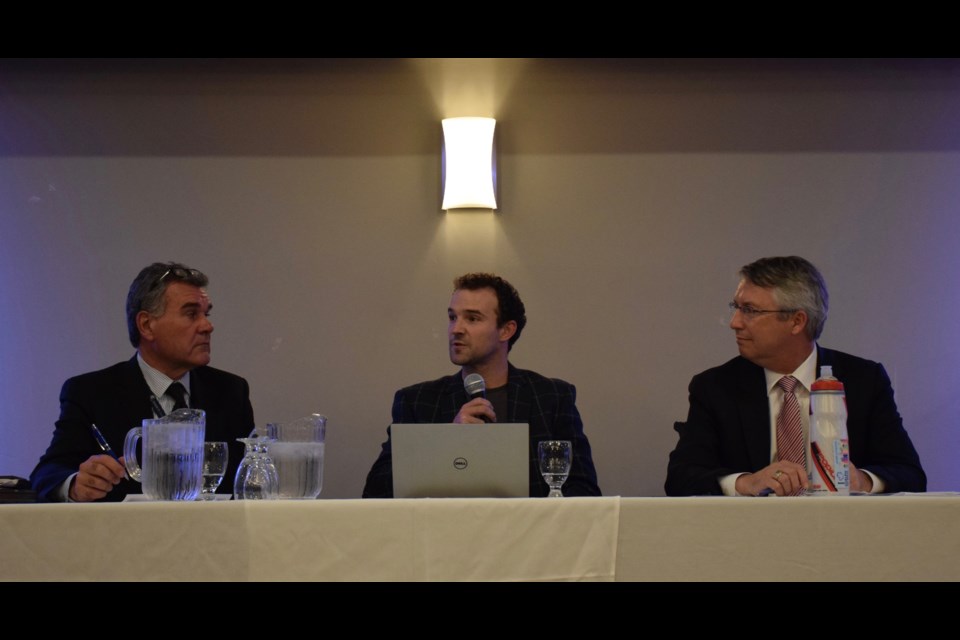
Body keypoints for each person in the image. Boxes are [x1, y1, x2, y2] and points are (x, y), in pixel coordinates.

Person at [665, 256, 926, 497]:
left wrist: (862, 481)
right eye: (737, 307)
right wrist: (746, 482)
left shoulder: (863, 380)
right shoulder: (716, 387)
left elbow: (910, 474)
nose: (735, 322)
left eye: (750, 310)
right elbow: (680, 478)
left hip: (845, 535)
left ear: (797, 321)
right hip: (750, 537)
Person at [30, 262, 255, 502]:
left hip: (211, 535)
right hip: (122, 535)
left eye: (206, 314)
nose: (207, 326)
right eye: (191, 314)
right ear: (147, 325)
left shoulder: (230, 391)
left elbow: (247, 479)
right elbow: (48, 473)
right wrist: (76, 484)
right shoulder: (91, 392)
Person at [363, 273, 601, 498]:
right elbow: (376, 492)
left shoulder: (551, 397)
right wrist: (447, 441)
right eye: (452, 317)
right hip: (445, 536)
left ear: (506, 330)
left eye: (472, 318)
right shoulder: (416, 401)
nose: (456, 329)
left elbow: (584, 491)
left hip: (530, 537)